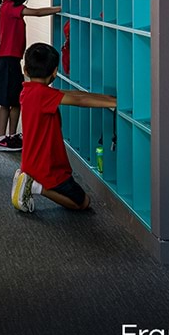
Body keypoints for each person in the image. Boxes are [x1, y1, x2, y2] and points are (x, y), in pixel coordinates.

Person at [10, 42, 116, 213]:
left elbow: (73, 95)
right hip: (47, 168)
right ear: (55, 72)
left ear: (25, 70)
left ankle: (29, 179)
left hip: (32, 162)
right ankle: (36, 187)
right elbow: (78, 101)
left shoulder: (29, 91)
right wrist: (116, 103)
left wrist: (106, 98)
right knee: (82, 203)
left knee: (80, 199)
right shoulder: (43, 95)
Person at [0, 0, 59, 152]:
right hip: (8, 62)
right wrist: (58, 9)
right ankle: (4, 138)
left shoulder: (5, 6)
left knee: (10, 102)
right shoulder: (13, 8)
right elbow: (36, 13)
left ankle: (8, 136)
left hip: (8, 61)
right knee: (13, 102)